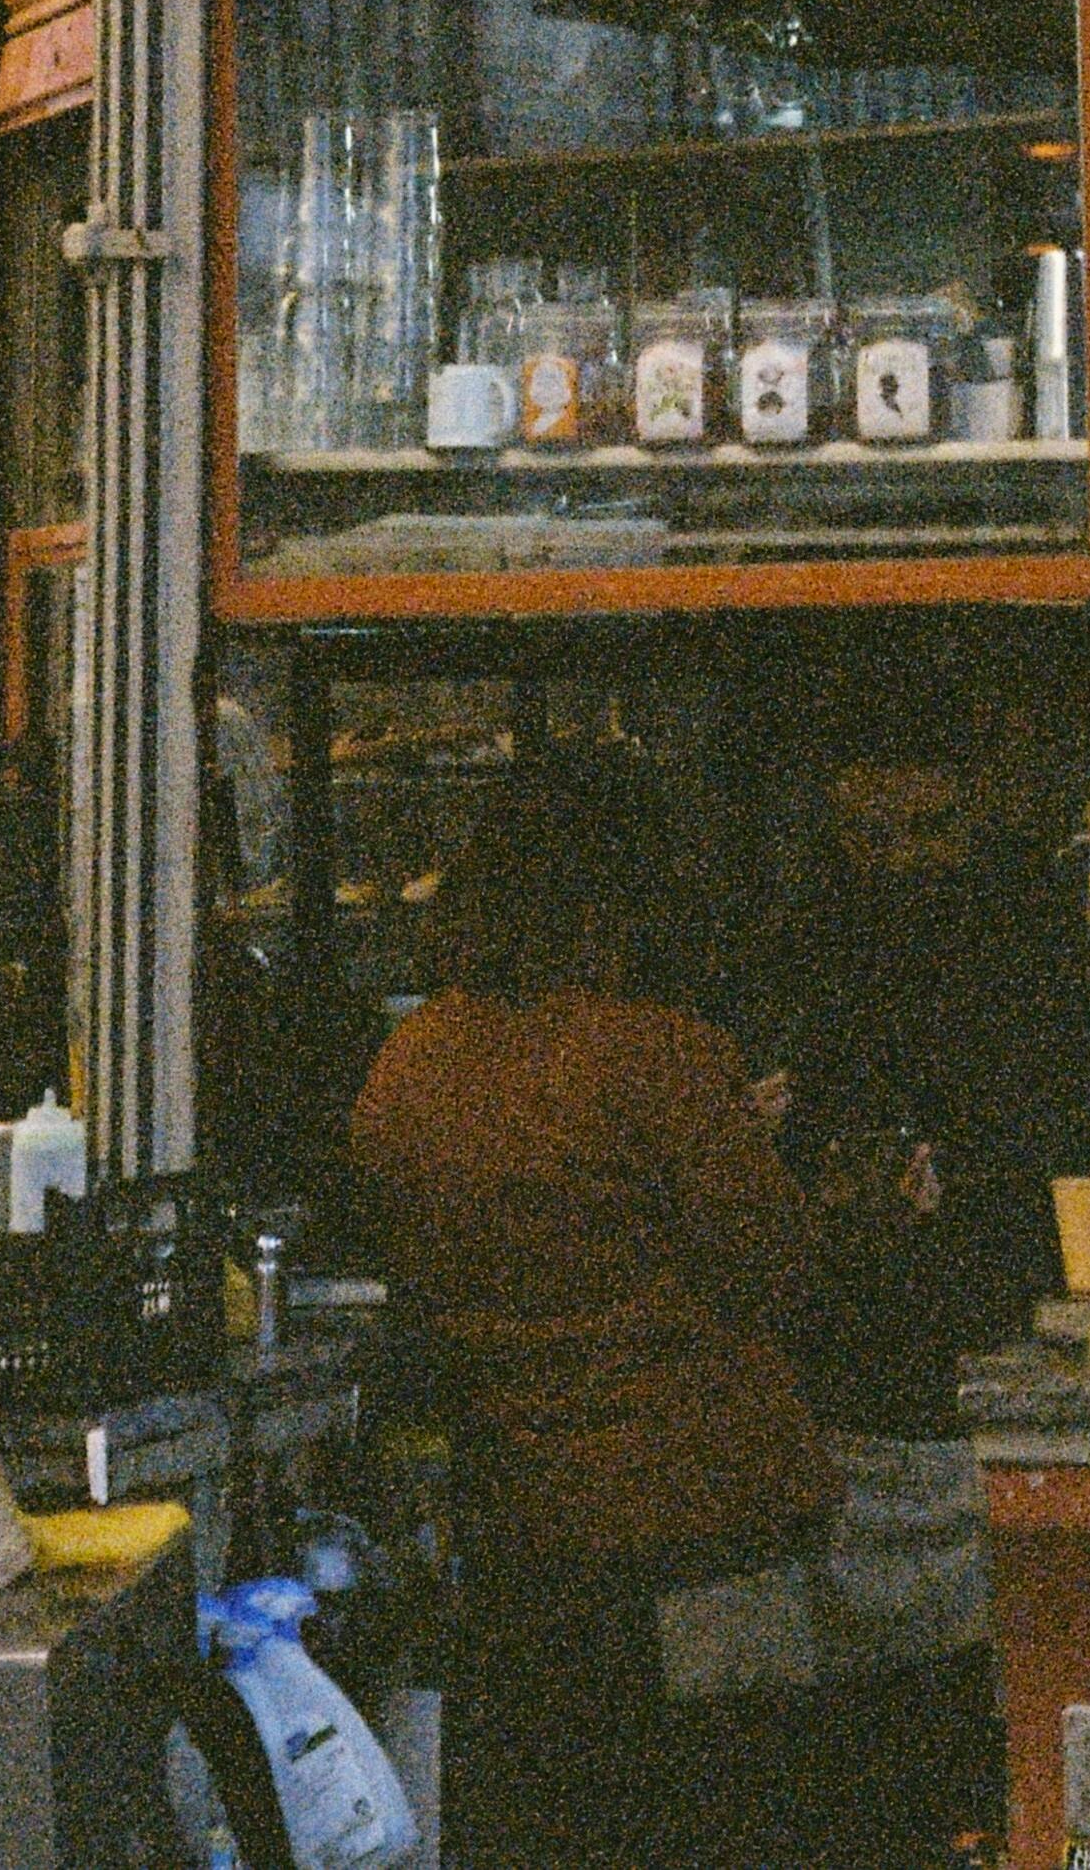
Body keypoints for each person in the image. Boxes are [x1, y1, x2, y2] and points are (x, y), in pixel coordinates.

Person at [348, 746, 836, 1870]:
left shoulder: (406, 1065)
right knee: (718, 1824)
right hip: (702, 1525)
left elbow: (415, 1267)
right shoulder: (659, 1055)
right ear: (630, 893)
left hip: (513, 1529)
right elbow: (773, 1273)